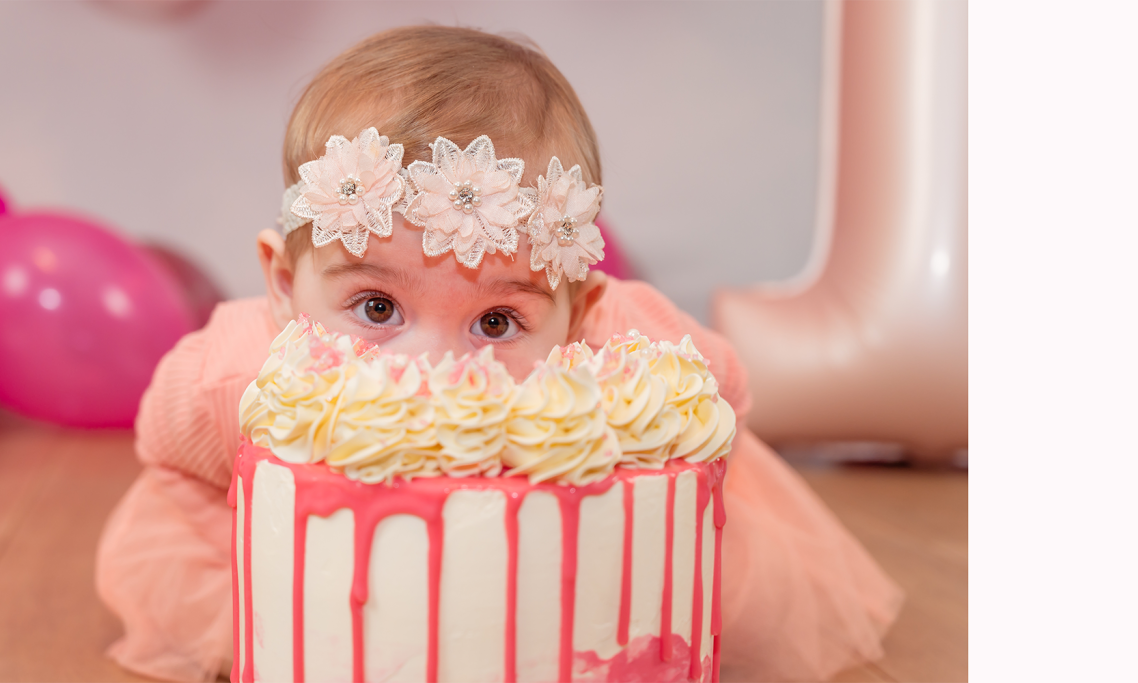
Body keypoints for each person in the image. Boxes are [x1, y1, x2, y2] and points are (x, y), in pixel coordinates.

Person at [96, 25, 902, 683]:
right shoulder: (243, 374)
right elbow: (165, 441)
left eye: (494, 322)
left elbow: (719, 393)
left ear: (577, 309)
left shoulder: (616, 339)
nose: (434, 368)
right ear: (282, 282)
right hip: (322, 588)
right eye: (377, 307)